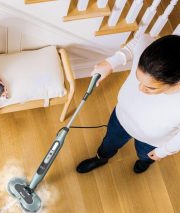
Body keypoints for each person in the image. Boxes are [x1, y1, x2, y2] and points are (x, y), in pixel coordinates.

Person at [77, 34, 180, 174]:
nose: (140, 89)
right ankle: (101, 158)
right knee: (108, 143)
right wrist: (111, 62)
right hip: (121, 119)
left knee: (144, 155)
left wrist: (163, 152)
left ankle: (143, 162)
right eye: (138, 79)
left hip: (152, 141)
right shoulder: (147, 56)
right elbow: (142, 38)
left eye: (151, 88)